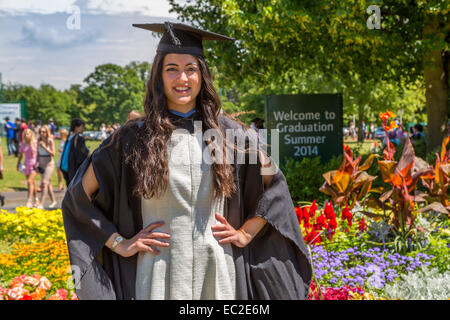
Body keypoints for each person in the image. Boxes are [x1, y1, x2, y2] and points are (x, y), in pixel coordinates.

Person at [61, 22, 312, 300]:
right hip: (157, 273)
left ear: (202, 75)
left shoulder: (228, 135)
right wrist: (120, 243)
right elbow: (78, 198)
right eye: (172, 69)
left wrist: (246, 233)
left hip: (217, 271)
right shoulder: (133, 138)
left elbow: (274, 184)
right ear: (159, 76)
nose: (182, 78)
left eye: (190, 69)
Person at [59, 118, 89, 186]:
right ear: (76, 127)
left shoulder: (69, 137)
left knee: (69, 188)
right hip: (73, 167)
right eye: (82, 126)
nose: (83, 128)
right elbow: (82, 153)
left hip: (64, 166)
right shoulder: (79, 138)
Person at [35, 125, 57, 209]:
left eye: (43, 132)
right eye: (40, 131)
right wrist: (36, 163)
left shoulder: (50, 140)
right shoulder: (38, 140)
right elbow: (37, 153)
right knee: (48, 184)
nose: (41, 133)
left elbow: (53, 153)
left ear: (47, 132)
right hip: (41, 163)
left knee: (44, 183)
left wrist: (44, 147)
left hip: (49, 164)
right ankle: (53, 200)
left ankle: (41, 204)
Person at [17, 129, 38, 208]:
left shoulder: (35, 143)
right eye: (25, 134)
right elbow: (21, 155)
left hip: (34, 165)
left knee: (29, 182)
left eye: (28, 133)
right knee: (32, 184)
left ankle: (29, 200)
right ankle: (36, 199)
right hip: (26, 165)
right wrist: (18, 163)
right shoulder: (23, 144)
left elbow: (38, 154)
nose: (26, 135)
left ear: (31, 134)